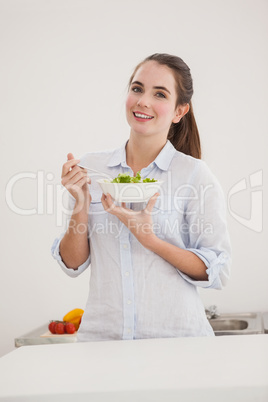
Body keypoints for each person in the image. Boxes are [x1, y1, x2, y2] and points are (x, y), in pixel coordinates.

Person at [51, 53, 231, 340]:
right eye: (137, 88)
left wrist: (150, 239)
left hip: (177, 343)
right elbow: (72, 264)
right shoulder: (92, 168)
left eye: (159, 94)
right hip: (103, 342)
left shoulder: (194, 175)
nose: (143, 101)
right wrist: (80, 202)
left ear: (179, 111)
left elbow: (215, 269)